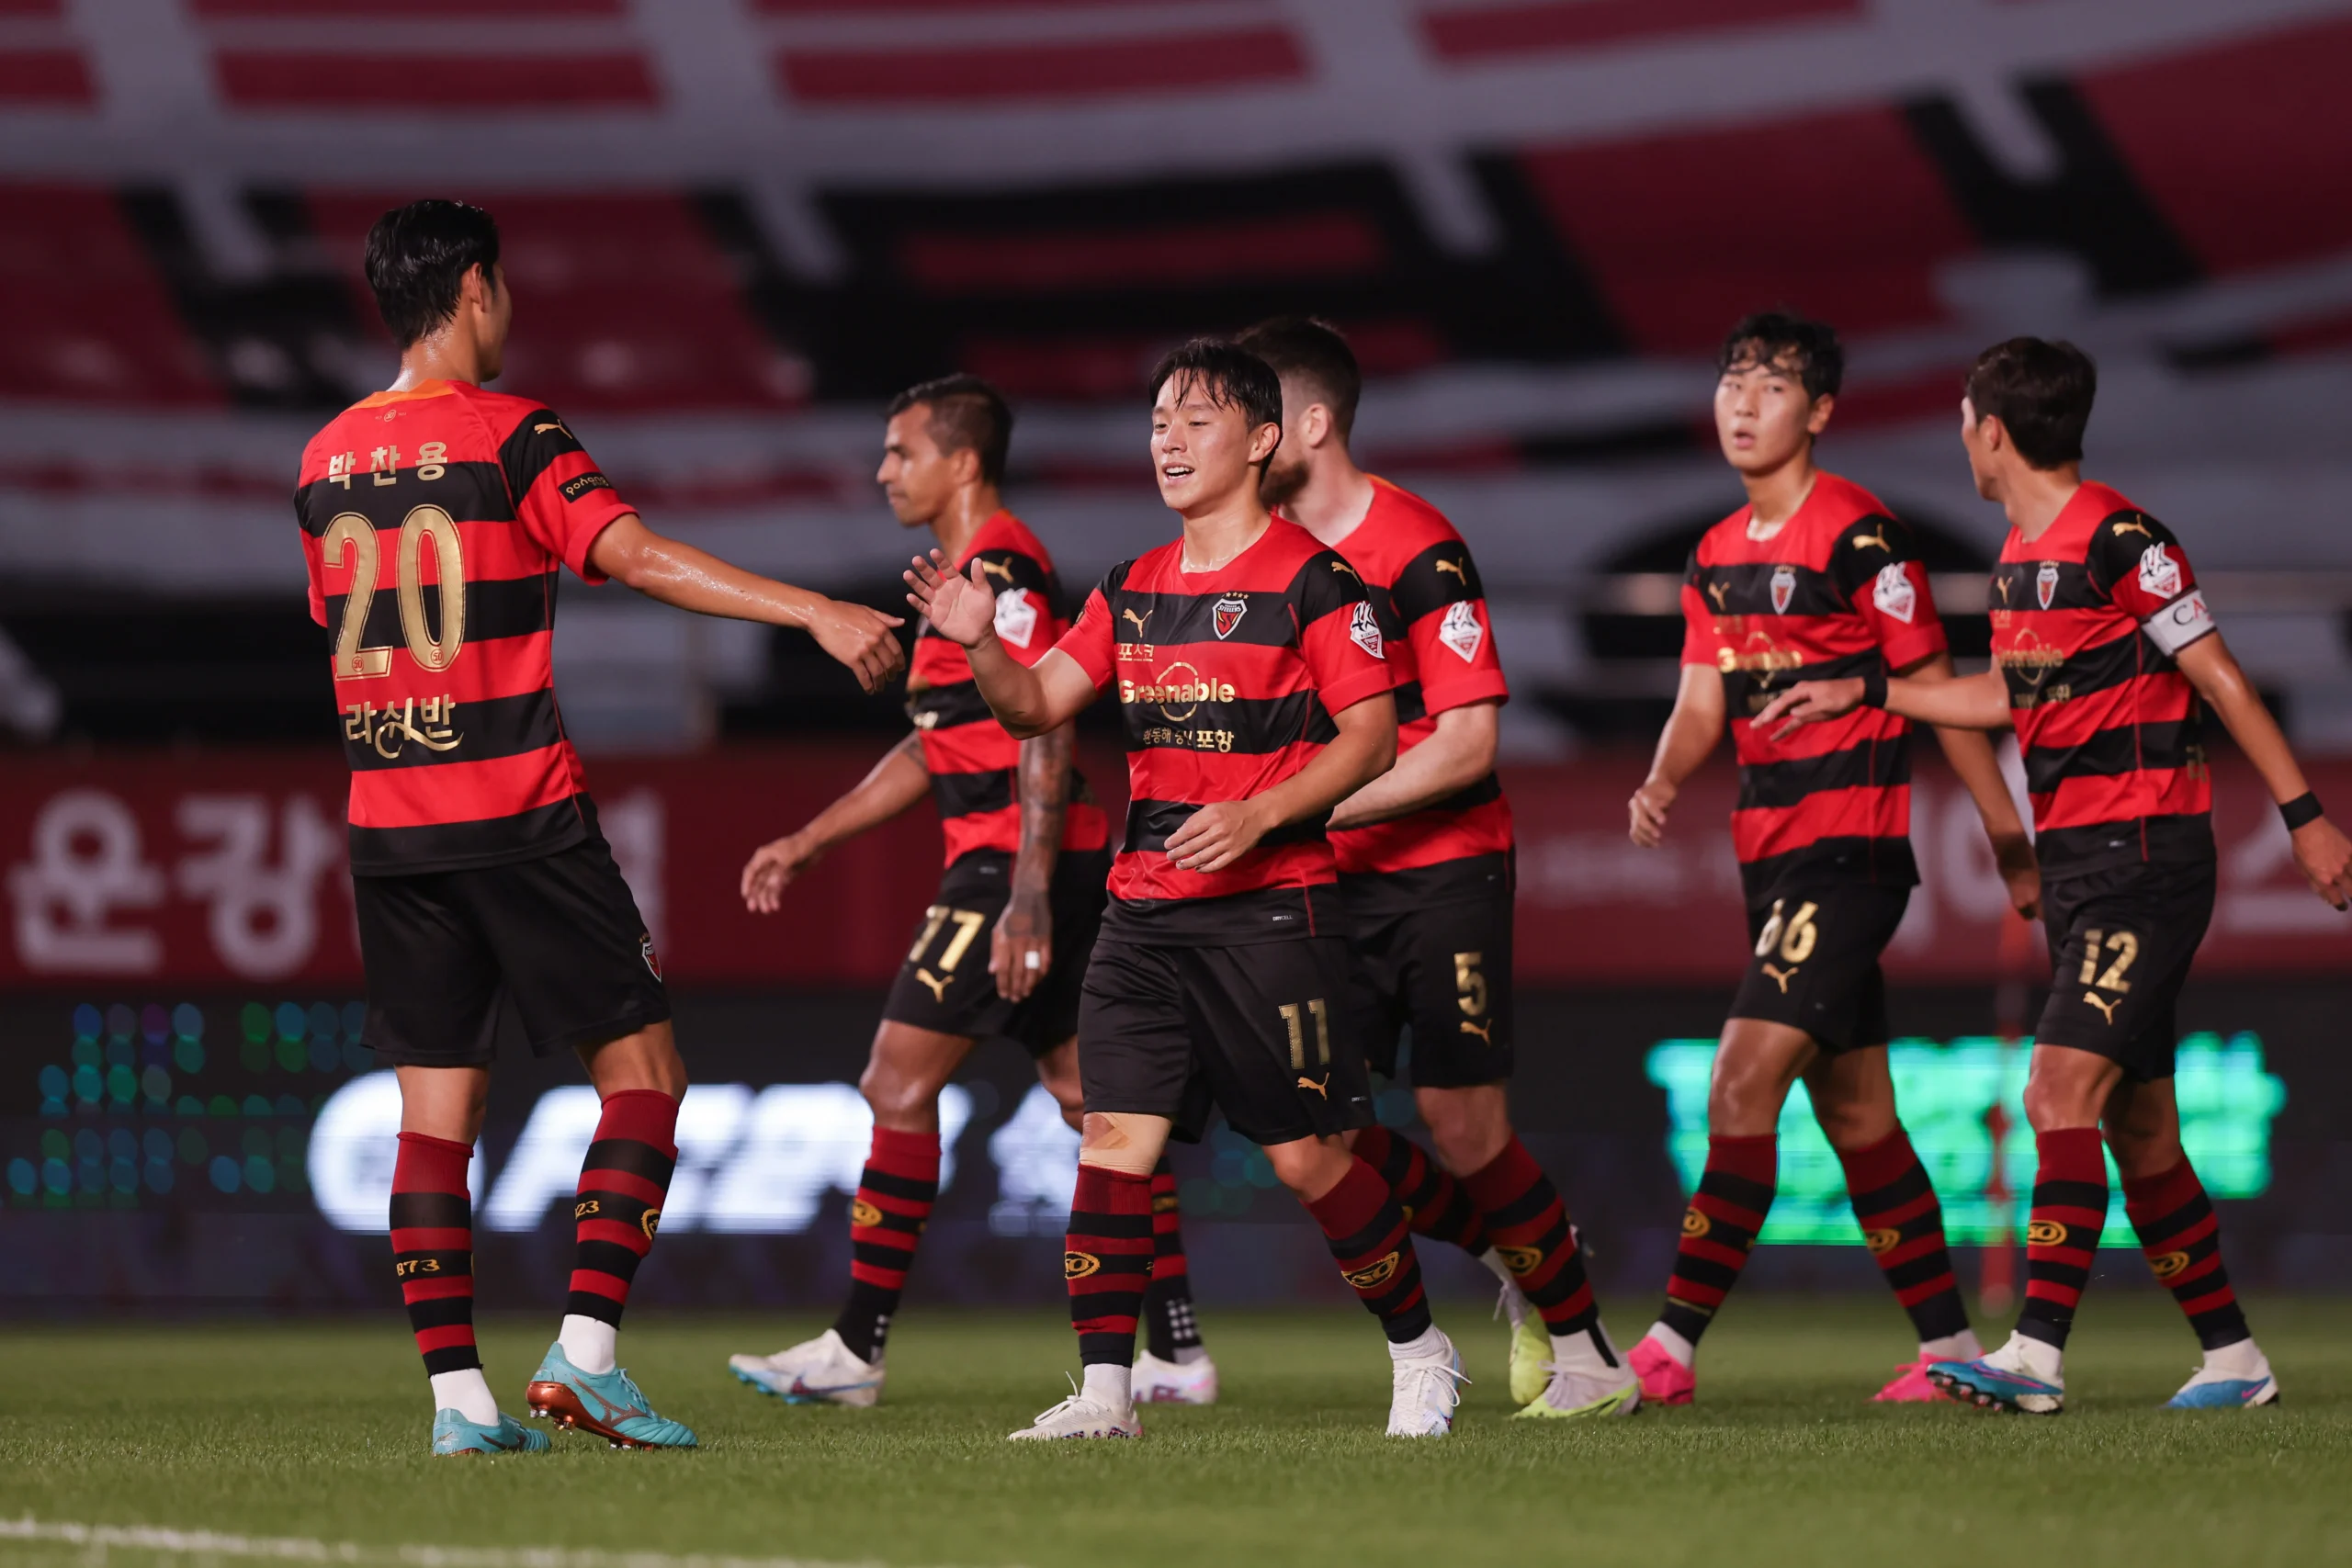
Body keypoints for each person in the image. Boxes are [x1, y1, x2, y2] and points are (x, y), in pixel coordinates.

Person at [295, 199, 902, 1455]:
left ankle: (459, 1406)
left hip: (389, 825)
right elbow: (636, 555)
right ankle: (584, 1356)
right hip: (518, 809)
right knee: (646, 1076)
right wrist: (813, 611)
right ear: (472, 289)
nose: (508, 306)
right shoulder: (516, 434)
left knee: (431, 1116)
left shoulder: (322, 459)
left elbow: (344, 625)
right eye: (502, 285)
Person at [1758, 336, 2352, 1413]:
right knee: (2141, 1130)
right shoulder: (2016, 557)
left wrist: (2305, 818)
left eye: (1961, 417)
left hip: (2145, 861)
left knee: (2055, 1087)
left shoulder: (2122, 541)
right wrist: (1869, 694)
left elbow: (2218, 678)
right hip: (2081, 868)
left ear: (1992, 431)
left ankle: (2032, 1355)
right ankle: (2234, 1359)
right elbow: (2004, 699)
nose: (1959, 434)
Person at [906, 339, 1467, 1439]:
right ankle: (1105, 1394)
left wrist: (1261, 814)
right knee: (1114, 1141)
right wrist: (980, 647)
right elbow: (1034, 707)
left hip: (1272, 911)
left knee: (1311, 1160)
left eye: (1195, 420)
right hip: (1143, 913)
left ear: (1262, 442)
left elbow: (1373, 737)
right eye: (1158, 418)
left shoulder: (1318, 580)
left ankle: (1421, 1348)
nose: (1166, 437)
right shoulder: (1132, 586)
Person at [724, 376, 1216, 1407]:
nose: (883, 472)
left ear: (962, 462)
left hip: (1015, 865)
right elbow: (937, 741)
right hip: (1035, 858)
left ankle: (857, 1350)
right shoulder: (962, 577)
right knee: (1093, 1105)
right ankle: (1177, 1348)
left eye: (901, 452)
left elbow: (1047, 719)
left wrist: (1028, 894)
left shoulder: (1006, 568)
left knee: (895, 1086)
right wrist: (814, 836)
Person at [1624, 311, 2039, 1405]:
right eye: (1730, 383)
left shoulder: (1859, 538)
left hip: (1847, 853)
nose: (1742, 405)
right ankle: (1948, 1351)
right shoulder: (1713, 556)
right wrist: (1666, 775)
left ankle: (1667, 1347)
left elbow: (1944, 693)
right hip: (1769, 854)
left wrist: (2004, 834)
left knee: (1739, 1076)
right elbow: (1699, 700)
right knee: (1857, 1116)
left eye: (1769, 389)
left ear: (1818, 414)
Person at [1234, 316, 1635, 1418]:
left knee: (1465, 1127)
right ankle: (1517, 1250)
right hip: (1318, 879)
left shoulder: (1417, 544)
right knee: (1320, 1132)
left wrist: (1297, 808)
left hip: (1440, 870)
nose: (1233, 434)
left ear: (1309, 423)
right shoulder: (1253, 557)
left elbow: (1467, 744)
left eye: (1251, 412)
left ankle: (1591, 1356)